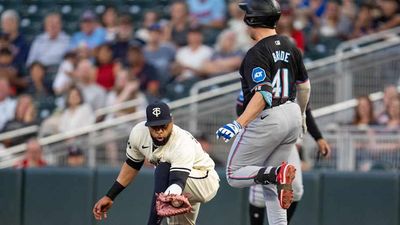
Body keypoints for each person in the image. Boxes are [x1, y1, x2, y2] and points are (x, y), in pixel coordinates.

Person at [215, 1, 311, 225]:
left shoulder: (256, 53)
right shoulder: (290, 44)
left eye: (247, 14)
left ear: (253, 20)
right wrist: (303, 114)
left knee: (233, 174)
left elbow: (264, 94)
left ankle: (277, 173)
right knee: (269, 182)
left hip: (270, 117)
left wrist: (238, 123)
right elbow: (304, 86)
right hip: (293, 113)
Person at [92, 101, 220, 225]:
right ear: (147, 125)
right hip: (178, 182)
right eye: (155, 126)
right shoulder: (138, 133)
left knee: (163, 168)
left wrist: (168, 199)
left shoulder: (182, 142)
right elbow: (132, 165)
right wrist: (110, 195)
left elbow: (177, 182)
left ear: (171, 121)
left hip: (204, 180)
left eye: (164, 125)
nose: (160, 131)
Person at [236, 92, 331, 225]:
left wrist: (318, 137)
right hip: (263, 138)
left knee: (296, 190)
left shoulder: (295, 79)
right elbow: (241, 106)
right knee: (259, 193)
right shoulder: (260, 75)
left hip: (287, 140)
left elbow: (305, 111)